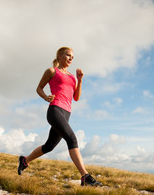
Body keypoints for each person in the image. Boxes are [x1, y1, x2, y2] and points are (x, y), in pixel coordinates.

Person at [18, 47, 102, 186]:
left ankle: (24, 161)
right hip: (55, 110)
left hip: (66, 113)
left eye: (72, 57)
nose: (70, 59)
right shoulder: (52, 71)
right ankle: (85, 177)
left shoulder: (72, 77)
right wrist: (46, 97)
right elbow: (39, 88)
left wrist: (80, 80)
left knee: (49, 146)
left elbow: (76, 98)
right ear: (60, 56)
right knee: (72, 138)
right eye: (68, 55)